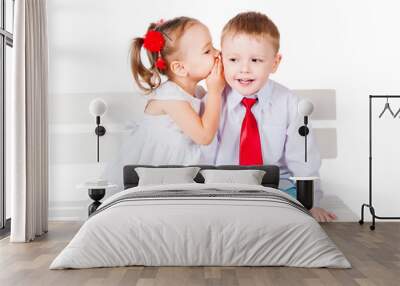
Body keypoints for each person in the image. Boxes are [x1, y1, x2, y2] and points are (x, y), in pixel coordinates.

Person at [207, 11, 336, 222]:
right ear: (221, 60)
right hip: (225, 189)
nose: (244, 69)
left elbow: (304, 159)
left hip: (277, 188)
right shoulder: (214, 101)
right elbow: (204, 155)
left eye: (256, 60)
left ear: (275, 63)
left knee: (290, 214)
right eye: (233, 59)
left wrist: (311, 203)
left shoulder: (290, 104)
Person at [102, 17, 225, 190]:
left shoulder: (197, 93)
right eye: (207, 50)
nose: (217, 52)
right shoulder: (170, 96)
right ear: (180, 68)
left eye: (213, 46)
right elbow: (204, 136)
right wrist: (215, 91)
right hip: (154, 169)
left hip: (177, 168)